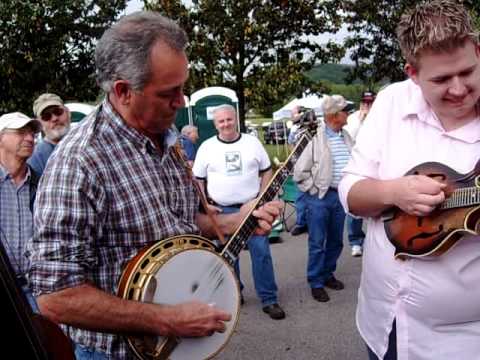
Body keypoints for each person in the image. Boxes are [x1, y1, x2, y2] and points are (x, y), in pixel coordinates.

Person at [27, 12, 282, 359]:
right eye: (169, 93)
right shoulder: (79, 163)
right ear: (123, 92)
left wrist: (231, 221)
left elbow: (177, 220)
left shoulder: (167, 135)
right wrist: (167, 320)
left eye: (182, 87)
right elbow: (55, 295)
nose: (181, 102)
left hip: (180, 344)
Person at [338, 1, 480, 359]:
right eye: (441, 79)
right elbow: (351, 192)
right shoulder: (390, 102)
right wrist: (393, 191)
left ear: (479, 52)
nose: (459, 89)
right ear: (412, 73)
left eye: (468, 71)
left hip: (465, 341)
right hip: (384, 324)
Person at [193, 104, 286, 320]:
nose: (225, 124)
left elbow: (266, 171)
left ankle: (269, 299)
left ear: (235, 119)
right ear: (215, 124)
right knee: (228, 257)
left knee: (261, 254)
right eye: (221, 121)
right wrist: (205, 204)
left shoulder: (252, 143)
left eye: (228, 119)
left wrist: (261, 198)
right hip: (222, 211)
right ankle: (234, 295)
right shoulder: (206, 147)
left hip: (251, 209)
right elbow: (198, 179)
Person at [293, 95, 354, 303]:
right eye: (346, 110)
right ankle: (316, 282)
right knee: (318, 243)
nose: (349, 113)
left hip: (341, 196)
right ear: (334, 115)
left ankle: (327, 274)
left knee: (336, 241)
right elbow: (299, 172)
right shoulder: (313, 137)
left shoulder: (346, 135)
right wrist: (314, 189)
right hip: (320, 197)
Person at [0, 112, 41, 310]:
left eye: (32, 133)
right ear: (1, 137)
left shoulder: (39, 182)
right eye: (20, 132)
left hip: (32, 288)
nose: (30, 138)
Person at [343, 91, 376, 257]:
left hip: (376, 165)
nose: (367, 106)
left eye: (370, 102)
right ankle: (355, 241)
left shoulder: (381, 116)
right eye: (365, 103)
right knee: (355, 207)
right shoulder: (353, 118)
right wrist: (361, 121)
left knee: (377, 207)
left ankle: (375, 242)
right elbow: (348, 139)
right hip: (357, 165)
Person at [28, 93, 71, 176]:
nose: (54, 118)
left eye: (58, 112)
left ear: (68, 112)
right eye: (46, 116)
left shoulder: (87, 142)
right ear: (40, 123)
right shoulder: (36, 158)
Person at [287, 105, 308, 236]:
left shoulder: (311, 127)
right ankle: (301, 223)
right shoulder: (294, 129)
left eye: (293, 114)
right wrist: (294, 160)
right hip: (299, 166)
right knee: (300, 197)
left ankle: (310, 223)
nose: (291, 116)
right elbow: (290, 144)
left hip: (313, 167)